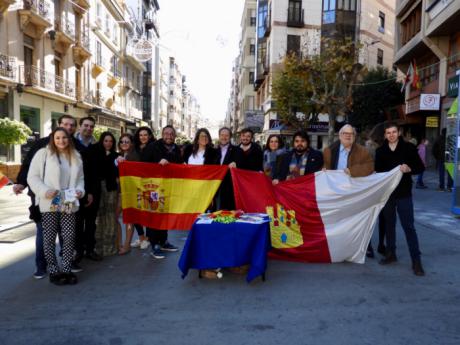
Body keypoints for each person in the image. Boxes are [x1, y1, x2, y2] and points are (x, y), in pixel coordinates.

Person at [13, 114, 85, 279]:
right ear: (53, 138)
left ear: (69, 138)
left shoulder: (76, 156)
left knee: (68, 236)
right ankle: (52, 269)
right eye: (58, 138)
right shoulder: (42, 154)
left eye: (64, 138)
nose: (61, 141)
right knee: (49, 237)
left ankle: (66, 268)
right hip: (49, 201)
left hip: (67, 201)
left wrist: (80, 191)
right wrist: (44, 191)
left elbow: (80, 179)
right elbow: (33, 177)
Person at [375, 122, 425, 276]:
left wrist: (409, 169)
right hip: (387, 194)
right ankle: (391, 254)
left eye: (394, 132)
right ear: (385, 135)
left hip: (404, 194)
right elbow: (378, 171)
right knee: (389, 225)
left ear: (399, 132)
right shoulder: (380, 151)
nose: (391, 135)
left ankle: (416, 261)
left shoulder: (408, 148)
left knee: (408, 227)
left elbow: (420, 167)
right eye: (388, 132)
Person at [323, 124, 375, 257]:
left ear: (354, 136)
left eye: (351, 134)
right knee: (338, 219)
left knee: (359, 219)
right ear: (339, 136)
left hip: (354, 191)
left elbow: (369, 166)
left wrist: (353, 171)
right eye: (345, 133)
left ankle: (365, 245)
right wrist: (323, 170)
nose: (348, 136)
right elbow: (324, 166)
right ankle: (340, 245)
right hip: (336, 191)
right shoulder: (329, 150)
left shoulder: (363, 151)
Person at [141, 125, 183, 259]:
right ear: (162, 134)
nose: (168, 136)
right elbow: (143, 165)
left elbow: (179, 165)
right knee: (154, 215)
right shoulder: (153, 146)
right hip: (153, 188)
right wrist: (157, 164)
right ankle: (155, 245)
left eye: (171, 134)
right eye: (166, 134)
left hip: (168, 188)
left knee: (164, 215)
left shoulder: (176, 149)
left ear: (174, 136)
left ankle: (163, 241)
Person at [74, 116, 102, 265]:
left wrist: (91, 192)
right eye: (86, 125)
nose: (88, 128)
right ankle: (78, 252)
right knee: (77, 223)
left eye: (91, 126)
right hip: (75, 191)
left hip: (93, 191)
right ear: (80, 126)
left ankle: (90, 250)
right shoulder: (71, 144)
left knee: (91, 223)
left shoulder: (96, 147)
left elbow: (96, 172)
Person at [93, 132, 119, 257]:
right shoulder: (95, 154)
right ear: (101, 141)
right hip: (97, 189)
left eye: (111, 141)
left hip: (111, 190)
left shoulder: (116, 156)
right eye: (106, 141)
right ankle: (97, 248)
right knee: (99, 217)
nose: (108, 143)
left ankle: (109, 248)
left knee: (110, 218)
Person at [128, 126, 155, 250]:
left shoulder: (155, 147)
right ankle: (141, 237)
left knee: (150, 211)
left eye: (145, 134)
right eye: (141, 135)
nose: (143, 137)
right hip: (135, 185)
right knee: (136, 212)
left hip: (152, 186)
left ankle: (148, 239)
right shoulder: (134, 149)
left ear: (149, 136)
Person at [115, 133, 135, 255]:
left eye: (127, 142)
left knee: (129, 219)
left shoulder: (134, 156)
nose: (124, 144)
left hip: (129, 192)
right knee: (115, 217)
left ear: (131, 143)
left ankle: (127, 245)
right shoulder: (118, 155)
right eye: (122, 142)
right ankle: (119, 244)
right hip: (118, 191)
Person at [214, 127, 241, 210]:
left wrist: (237, 164)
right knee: (215, 212)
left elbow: (243, 166)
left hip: (229, 188)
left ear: (230, 137)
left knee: (229, 213)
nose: (224, 137)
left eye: (226, 135)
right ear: (219, 136)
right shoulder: (213, 151)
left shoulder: (237, 150)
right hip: (215, 186)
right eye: (222, 135)